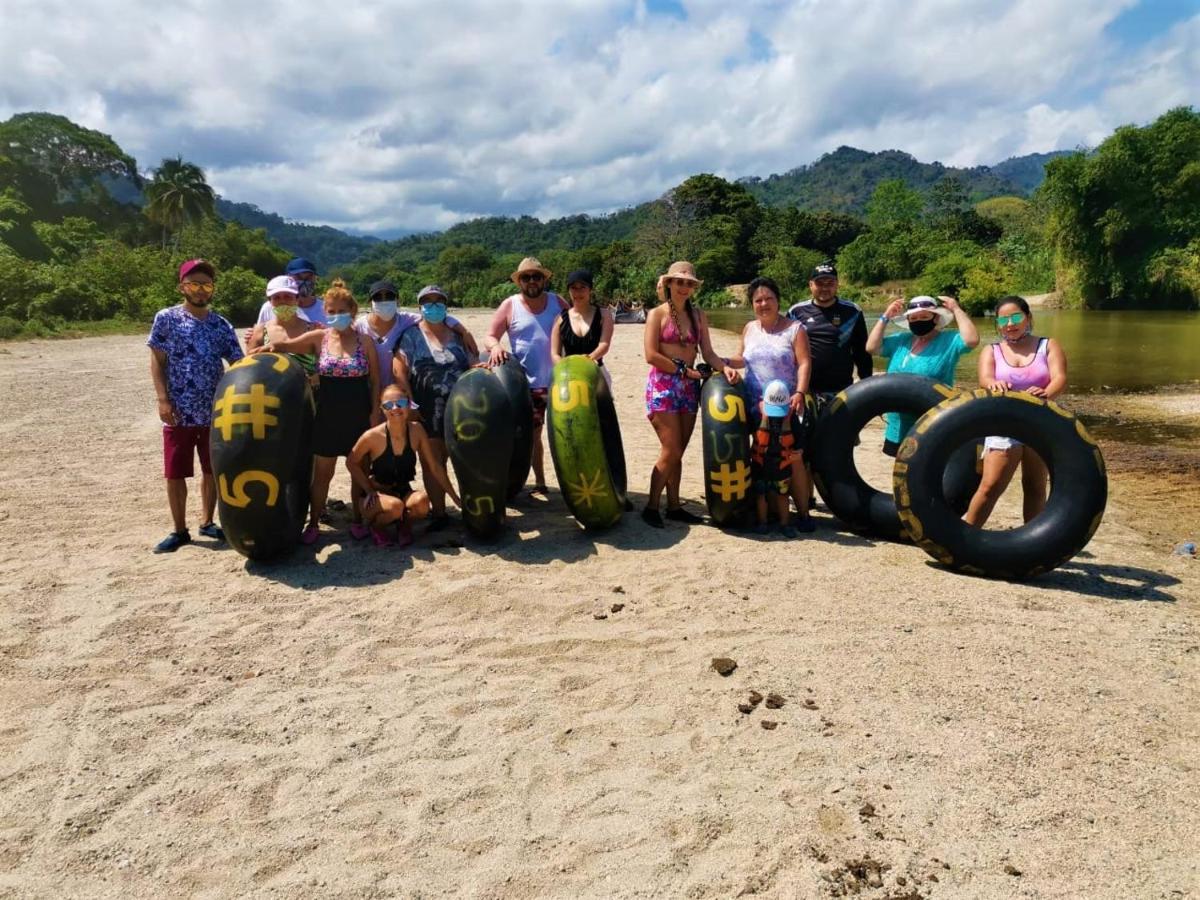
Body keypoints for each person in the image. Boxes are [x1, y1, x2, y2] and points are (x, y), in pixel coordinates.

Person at [252, 279, 380, 543]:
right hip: (326, 415)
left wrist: (375, 412)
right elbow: (284, 346)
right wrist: (259, 347)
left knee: (358, 470)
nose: (335, 316)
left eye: (341, 311)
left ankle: (358, 519)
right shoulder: (319, 337)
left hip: (359, 414)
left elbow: (376, 380)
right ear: (325, 312)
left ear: (353, 311)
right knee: (323, 474)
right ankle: (313, 522)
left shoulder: (365, 341)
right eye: (331, 311)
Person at [147, 259, 244, 552]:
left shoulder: (221, 324)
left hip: (215, 410)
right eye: (194, 284)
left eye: (206, 284)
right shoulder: (166, 318)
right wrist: (163, 399)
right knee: (175, 472)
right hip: (179, 410)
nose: (200, 290)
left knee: (211, 469)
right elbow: (157, 361)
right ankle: (179, 530)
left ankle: (207, 521)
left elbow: (237, 362)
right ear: (182, 287)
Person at [642, 260, 741, 527]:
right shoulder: (657, 315)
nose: (684, 287)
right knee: (671, 448)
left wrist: (725, 368)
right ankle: (652, 505)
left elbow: (707, 352)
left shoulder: (698, 316)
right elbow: (651, 355)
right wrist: (682, 371)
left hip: (689, 388)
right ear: (669, 284)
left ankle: (674, 506)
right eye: (679, 282)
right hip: (664, 386)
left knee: (679, 450)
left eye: (689, 283)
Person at [963, 296, 1067, 527]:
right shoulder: (992, 350)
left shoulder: (1047, 345)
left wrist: (1046, 392)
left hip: (1039, 421)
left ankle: (1032, 541)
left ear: (1028, 318)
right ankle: (965, 537)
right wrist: (993, 384)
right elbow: (985, 378)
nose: (1010, 323)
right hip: (1003, 423)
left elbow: (1059, 378)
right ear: (998, 323)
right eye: (1004, 319)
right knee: (991, 485)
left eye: (1016, 316)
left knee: (1035, 486)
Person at [727, 276, 815, 531]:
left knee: (793, 458)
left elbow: (805, 362)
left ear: (778, 301)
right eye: (758, 300)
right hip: (755, 406)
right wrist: (723, 362)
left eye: (769, 298)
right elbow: (743, 359)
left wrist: (799, 392)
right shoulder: (749, 328)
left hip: (785, 408)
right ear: (752, 304)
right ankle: (767, 513)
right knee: (762, 457)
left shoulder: (795, 329)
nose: (763, 303)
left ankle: (804, 514)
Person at [393, 285, 477, 529]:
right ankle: (439, 514)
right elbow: (399, 370)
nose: (433, 306)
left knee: (464, 461)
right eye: (427, 302)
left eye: (438, 302)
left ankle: (472, 510)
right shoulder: (410, 335)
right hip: (426, 410)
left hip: (461, 410)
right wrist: (410, 403)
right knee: (432, 463)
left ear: (446, 305)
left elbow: (472, 362)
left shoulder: (458, 335)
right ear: (420, 307)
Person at [484, 256, 568, 494]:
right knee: (533, 437)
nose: (532, 281)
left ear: (544, 279)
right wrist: (496, 347)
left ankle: (570, 482)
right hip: (527, 386)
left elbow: (577, 327)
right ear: (519, 281)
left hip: (560, 382)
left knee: (566, 435)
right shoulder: (510, 305)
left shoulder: (557, 302)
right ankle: (540, 482)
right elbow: (490, 335)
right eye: (526, 277)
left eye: (536, 276)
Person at [346, 384, 462, 547]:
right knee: (395, 507)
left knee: (421, 503)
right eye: (388, 405)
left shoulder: (417, 430)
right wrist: (368, 489)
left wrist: (455, 498)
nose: (395, 408)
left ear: (408, 404)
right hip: (376, 496)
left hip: (402, 490)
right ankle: (376, 527)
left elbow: (434, 467)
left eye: (400, 403)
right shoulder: (372, 436)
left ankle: (404, 526)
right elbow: (351, 462)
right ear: (382, 409)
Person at [865, 294, 980, 455]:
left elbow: (972, 340)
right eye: (914, 318)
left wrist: (956, 309)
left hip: (933, 421)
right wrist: (885, 317)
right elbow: (871, 348)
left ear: (935, 318)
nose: (919, 320)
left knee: (927, 468)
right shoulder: (900, 340)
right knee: (900, 469)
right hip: (898, 423)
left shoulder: (949, 340)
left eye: (924, 316)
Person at [358, 279, 476, 391]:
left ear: (397, 300)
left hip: (397, 396)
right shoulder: (359, 326)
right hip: (369, 391)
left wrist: (464, 332)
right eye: (378, 297)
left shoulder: (405, 320)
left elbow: (434, 317)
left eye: (389, 296)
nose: (384, 301)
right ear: (370, 302)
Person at [786, 262, 873, 401]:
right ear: (810, 285)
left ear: (837, 284)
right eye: (819, 283)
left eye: (830, 283)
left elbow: (861, 353)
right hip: (805, 389)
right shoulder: (796, 312)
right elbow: (786, 350)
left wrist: (868, 384)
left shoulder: (853, 311)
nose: (825, 288)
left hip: (842, 389)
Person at [751, 380, 802, 538]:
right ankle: (762, 523)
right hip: (761, 464)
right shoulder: (756, 414)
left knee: (782, 495)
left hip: (782, 465)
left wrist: (799, 450)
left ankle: (784, 524)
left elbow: (800, 437)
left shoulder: (791, 418)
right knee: (761, 494)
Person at [247, 276, 319, 382]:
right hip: (271, 395)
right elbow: (248, 367)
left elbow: (326, 366)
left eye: (288, 296)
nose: (282, 301)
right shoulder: (259, 331)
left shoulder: (313, 329)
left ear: (297, 299)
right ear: (269, 301)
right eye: (276, 297)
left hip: (309, 395)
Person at [550, 269, 614, 380]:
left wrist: (588, 360)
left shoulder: (604, 315)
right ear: (569, 291)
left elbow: (604, 345)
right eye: (573, 288)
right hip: (569, 374)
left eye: (582, 287)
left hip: (596, 372)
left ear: (590, 290)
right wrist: (565, 368)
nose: (578, 292)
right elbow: (555, 353)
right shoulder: (560, 319)